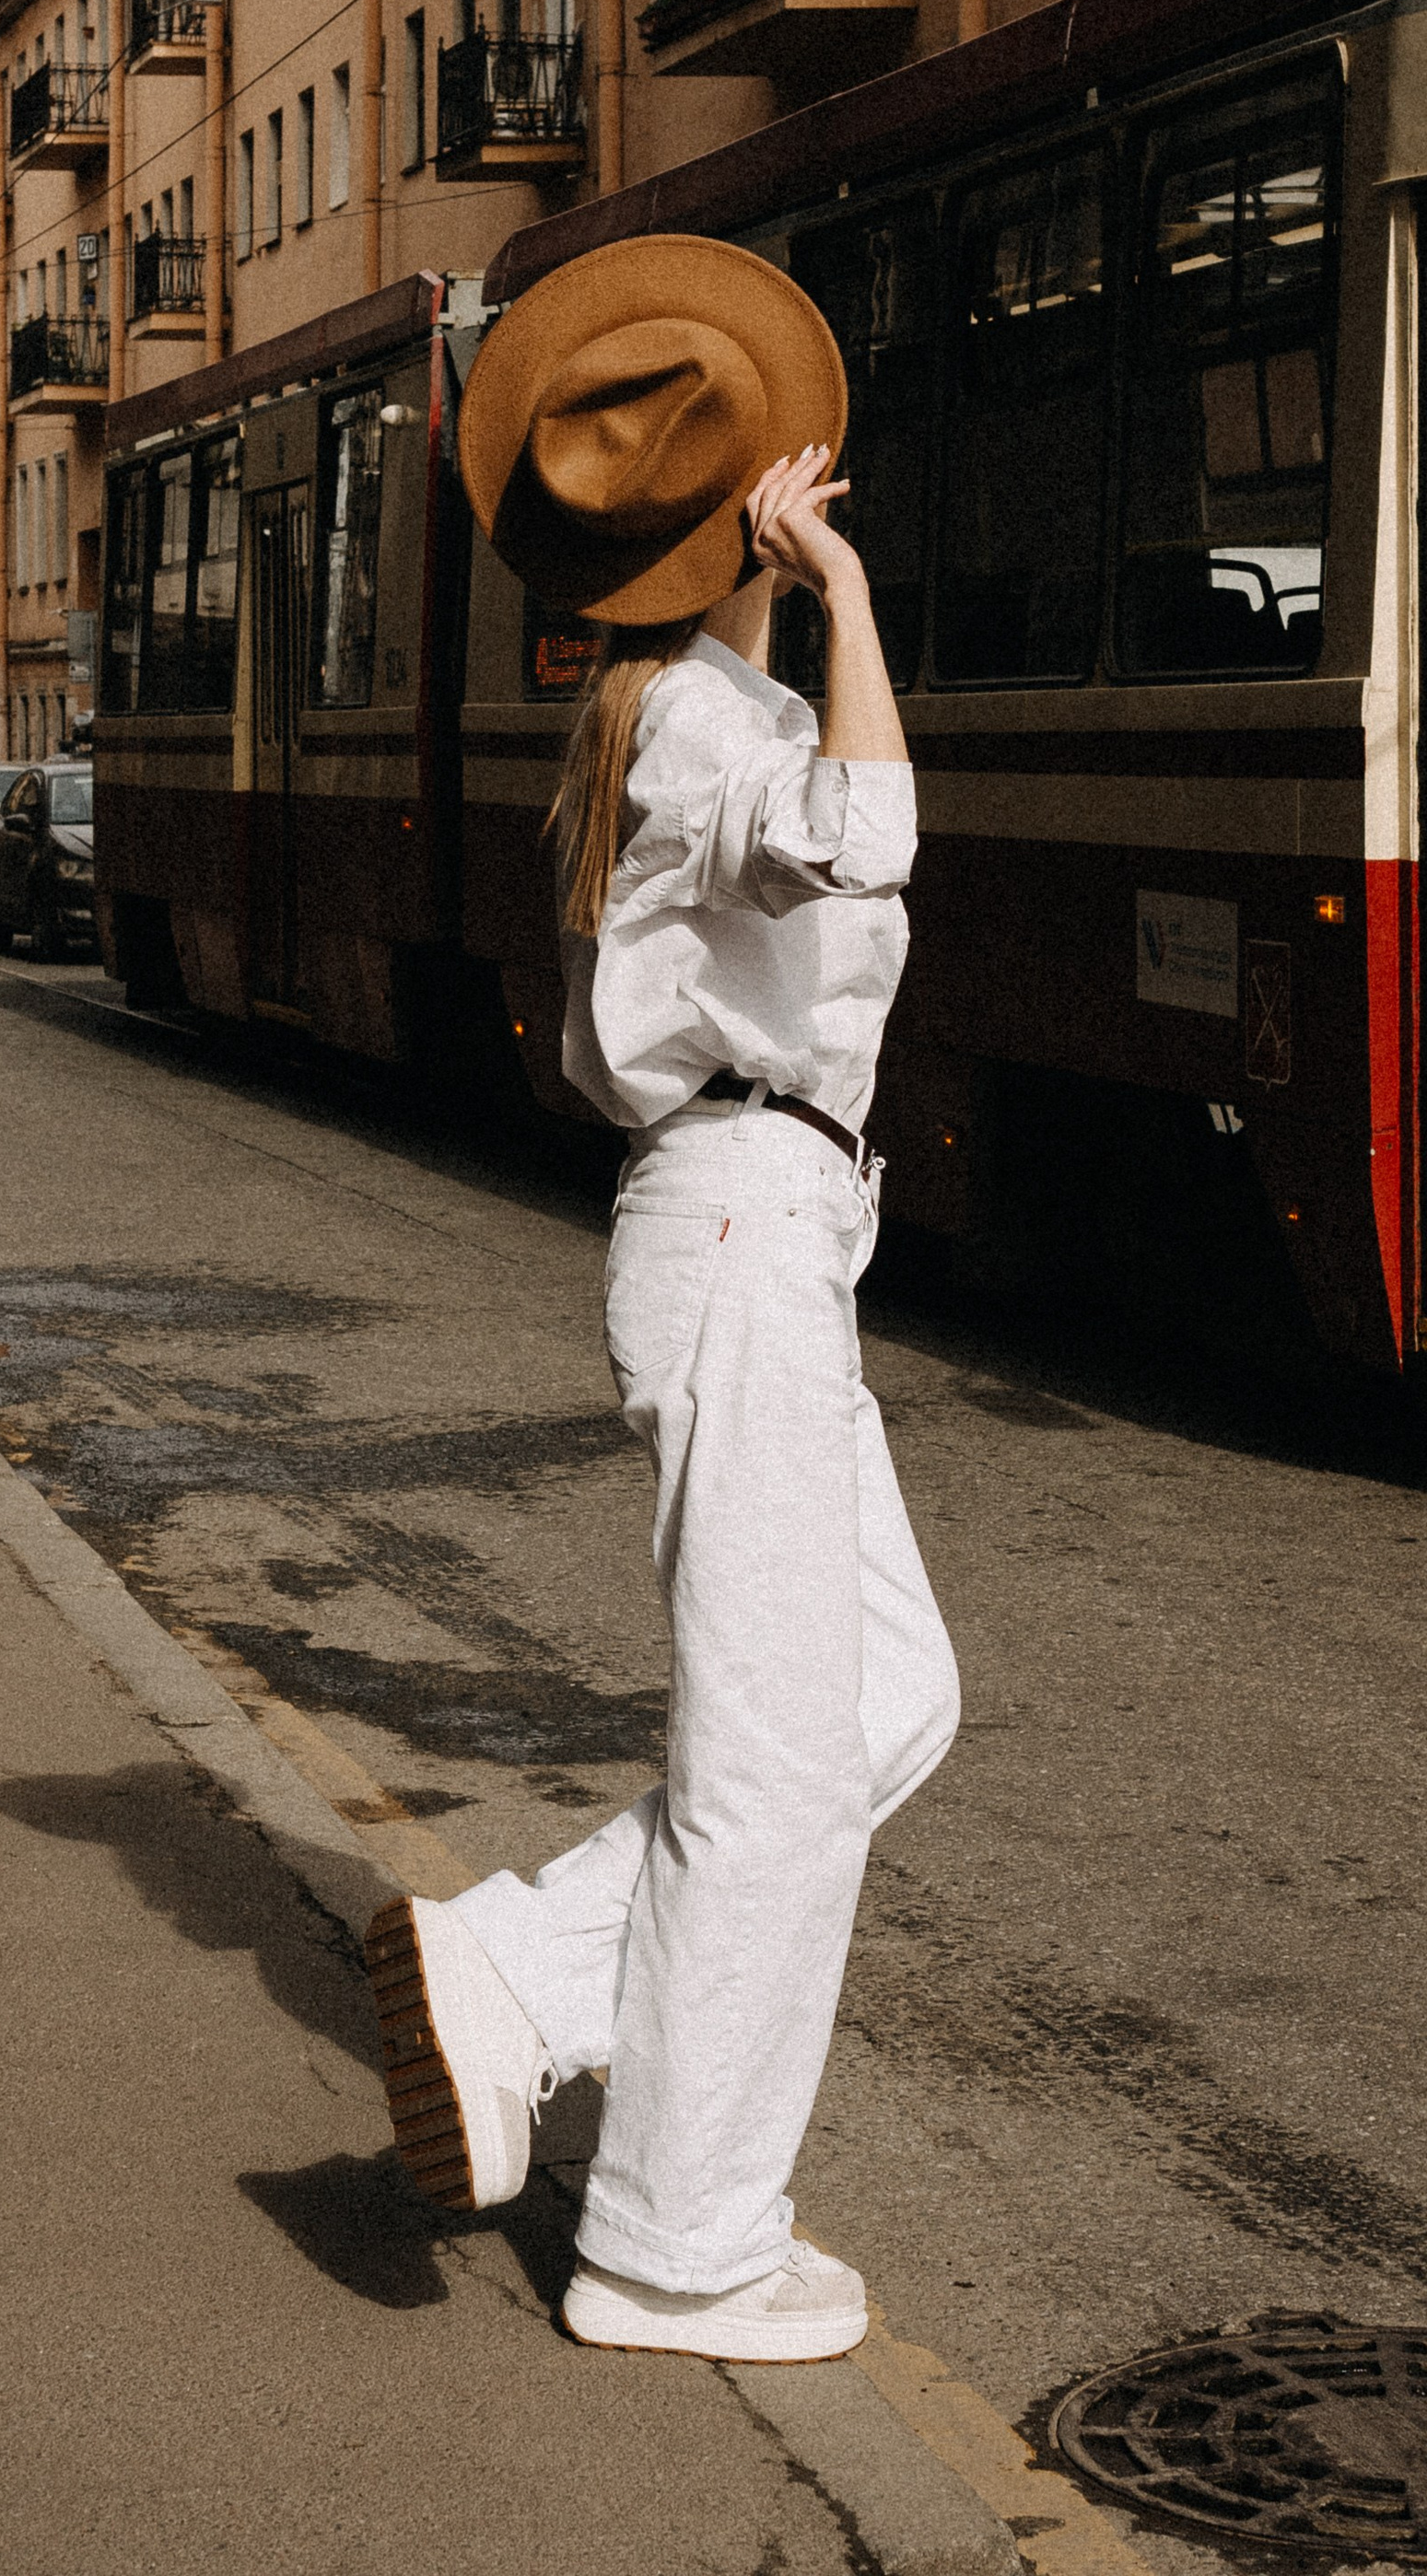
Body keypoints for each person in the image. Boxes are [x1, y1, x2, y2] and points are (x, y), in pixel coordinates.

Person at [366, 233, 959, 2366]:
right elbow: (872, 839)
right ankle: (675, 2238)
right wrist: (851, 585)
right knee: (770, 1771)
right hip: (734, 1236)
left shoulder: (693, 711)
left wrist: (784, 599)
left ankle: (520, 1978)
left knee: (885, 1708)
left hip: (762, 1237)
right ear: (746, 514)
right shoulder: (716, 733)